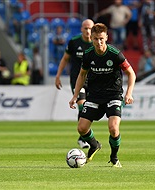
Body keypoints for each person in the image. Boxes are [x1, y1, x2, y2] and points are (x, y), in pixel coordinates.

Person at [69, 23, 136, 167]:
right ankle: (94, 145)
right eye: (95, 39)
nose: (98, 42)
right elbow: (82, 75)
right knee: (81, 128)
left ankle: (114, 156)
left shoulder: (115, 54)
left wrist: (129, 94)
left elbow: (131, 73)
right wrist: (75, 95)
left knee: (113, 128)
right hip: (94, 96)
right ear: (91, 38)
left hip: (113, 95)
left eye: (101, 39)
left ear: (106, 37)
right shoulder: (88, 54)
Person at [55, 19, 95, 149]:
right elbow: (65, 59)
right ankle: (83, 138)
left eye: (90, 28)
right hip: (77, 80)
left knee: (91, 109)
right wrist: (58, 76)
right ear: (81, 29)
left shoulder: (97, 43)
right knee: (81, 106)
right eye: (85, 28)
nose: (88, 31)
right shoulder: (74, 42)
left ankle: (83, 135)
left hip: (93, 80)